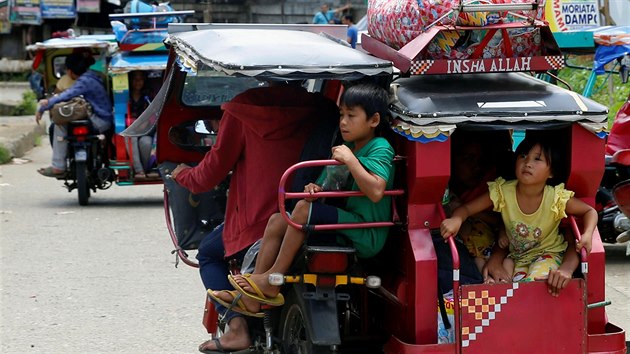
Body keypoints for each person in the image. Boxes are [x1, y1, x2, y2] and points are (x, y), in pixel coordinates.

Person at [208, 83, 395, 350]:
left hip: (367, 231)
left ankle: (274, 277)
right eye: (341, 115)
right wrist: (314, 189)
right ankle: (255, 290)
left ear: (374, 120)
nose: (343, 122)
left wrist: (351, 160)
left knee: (303, 212)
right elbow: (328, 184)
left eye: (351, 116)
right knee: (278, 219)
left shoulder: (379, 147)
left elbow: (376, 190)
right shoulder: (347, 147)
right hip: (349, 220)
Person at [169, 81, 339, 353]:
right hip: (312, 210)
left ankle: (237, 329)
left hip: (257, 223)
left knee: (209, 253)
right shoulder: (323, 107)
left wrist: (182, 175)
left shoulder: (242, 110)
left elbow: (210, 173)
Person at [440, 135, 598, 297]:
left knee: (532, 287)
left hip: (546, 255)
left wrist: (587, 235)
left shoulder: (556, 197)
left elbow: (589, 211)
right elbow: (466, 209)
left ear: (552, 172)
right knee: (498, 289)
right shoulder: (502, 191)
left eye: (537, 159)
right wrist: (456, 219)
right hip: (515, 258)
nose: (527, 163)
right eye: (523, 156)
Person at [35, 53, 113, 177]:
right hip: (104, 120)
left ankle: (58, 166)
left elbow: (67, 95)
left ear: (70, 71)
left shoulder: (84, 81)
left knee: (59, 125)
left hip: (99, 121)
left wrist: (44, 107)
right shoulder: (94, 76)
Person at [126, 70, 156, 180]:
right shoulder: (125, 95)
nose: (138, 82)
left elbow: (153, 115)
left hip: (145, 130)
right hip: (129, 130)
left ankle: (146, 169)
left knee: (146, 143)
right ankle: (139, 170)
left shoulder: (148, 95)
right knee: (131, 138)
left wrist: (144, 124)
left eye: (141, 79)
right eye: (135, 79)